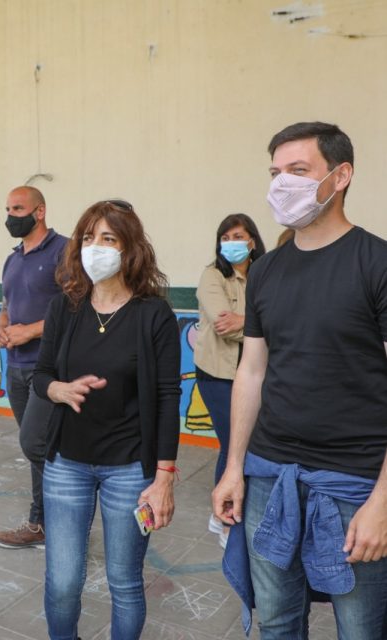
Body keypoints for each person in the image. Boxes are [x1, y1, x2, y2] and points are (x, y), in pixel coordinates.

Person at [212, 122, 387, 639]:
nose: (281, 184)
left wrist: (383, 501)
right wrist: (234, 468)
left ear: (341, 175)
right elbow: (252, 371)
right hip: (270, 476)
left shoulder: (376, 263)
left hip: (355, 483)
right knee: (278, 622)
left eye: (298, 170)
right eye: (275, 172)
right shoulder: (266, 271)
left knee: (361, 629)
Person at [34, 199, 180, 639]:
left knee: (125, 582)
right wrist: (59, 390)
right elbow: (42, 375)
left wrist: (164, 477)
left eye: (108, 238)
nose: (94, 247)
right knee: (63, 583)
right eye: (87, 237)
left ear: (129, 248)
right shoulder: (65, 308)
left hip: (130, 469)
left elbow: (167, 397)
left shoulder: (154, 314)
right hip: (67, 464)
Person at [0, 185, 68, 550]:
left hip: (48, 367)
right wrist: (2, 325)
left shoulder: (64, 251)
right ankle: (42, 524)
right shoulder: (12, 259)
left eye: (18, 209)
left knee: (36, 443)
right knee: (38, 447)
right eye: (8, 209)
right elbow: (7, 303)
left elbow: (77, 308)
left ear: (40, 211)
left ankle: (66, 514)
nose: (11, 216)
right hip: (16, 366)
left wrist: (32, 331)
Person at [194, 213, 265, 549]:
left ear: (252, 241)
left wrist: (245, 321)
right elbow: (224, 325)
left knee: (248, 443)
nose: (232, 243)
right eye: (226, 237)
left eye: (238, 236)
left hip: (256, 373)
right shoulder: (212, 275)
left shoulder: (266, 273)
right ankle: (224, 519)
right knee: (234, 442)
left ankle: (229, 511)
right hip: (218, 375)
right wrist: (261, 324)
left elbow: (280, 318)